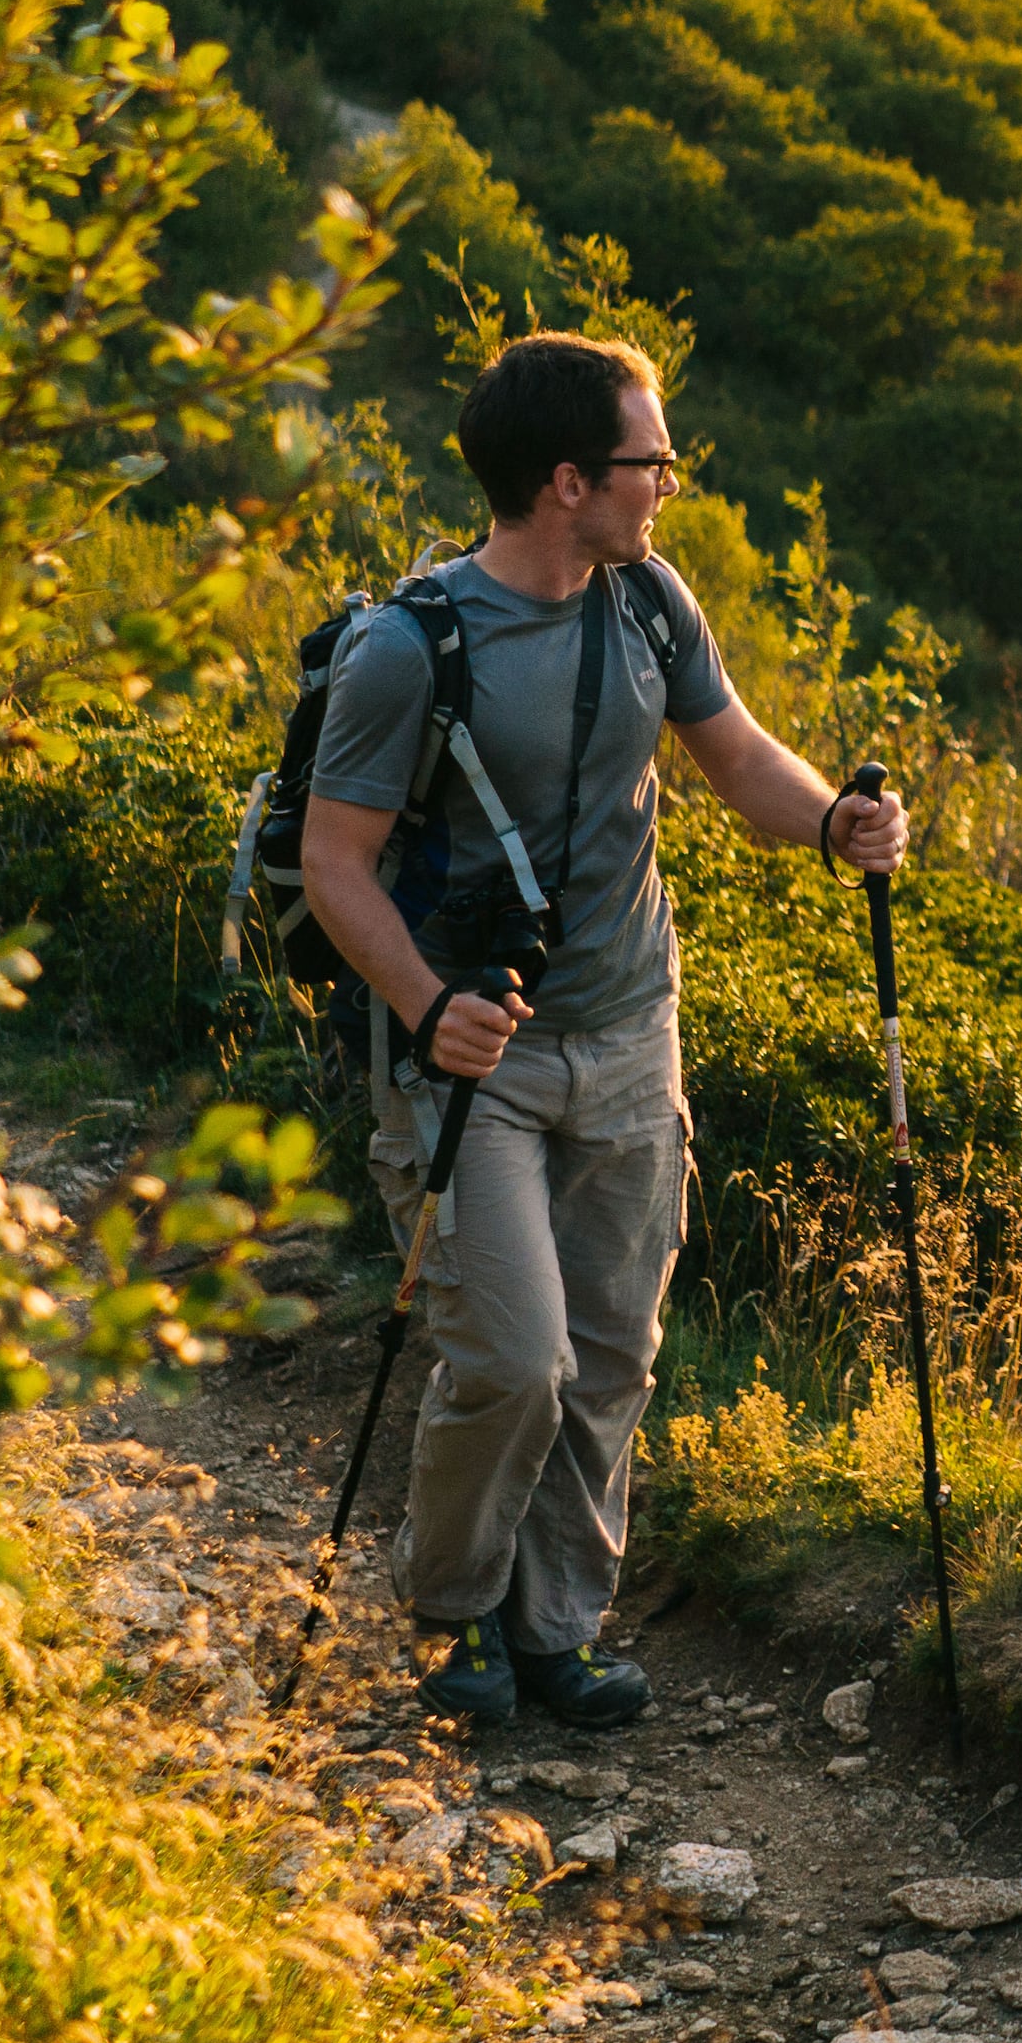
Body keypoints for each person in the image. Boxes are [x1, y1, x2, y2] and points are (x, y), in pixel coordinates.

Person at [297, 331, 911, 1727]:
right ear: (568, 481)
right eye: (653, 464)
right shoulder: (409, 651)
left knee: (614, 1355)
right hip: (478, 1059)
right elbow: (337, 863)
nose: (668, 487)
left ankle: (556, 1629)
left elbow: (739, 753)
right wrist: (428, 1008)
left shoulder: (648, 604)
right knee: (516, 1358)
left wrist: (832, 823)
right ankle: (452, 1616)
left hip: (631, 1031)